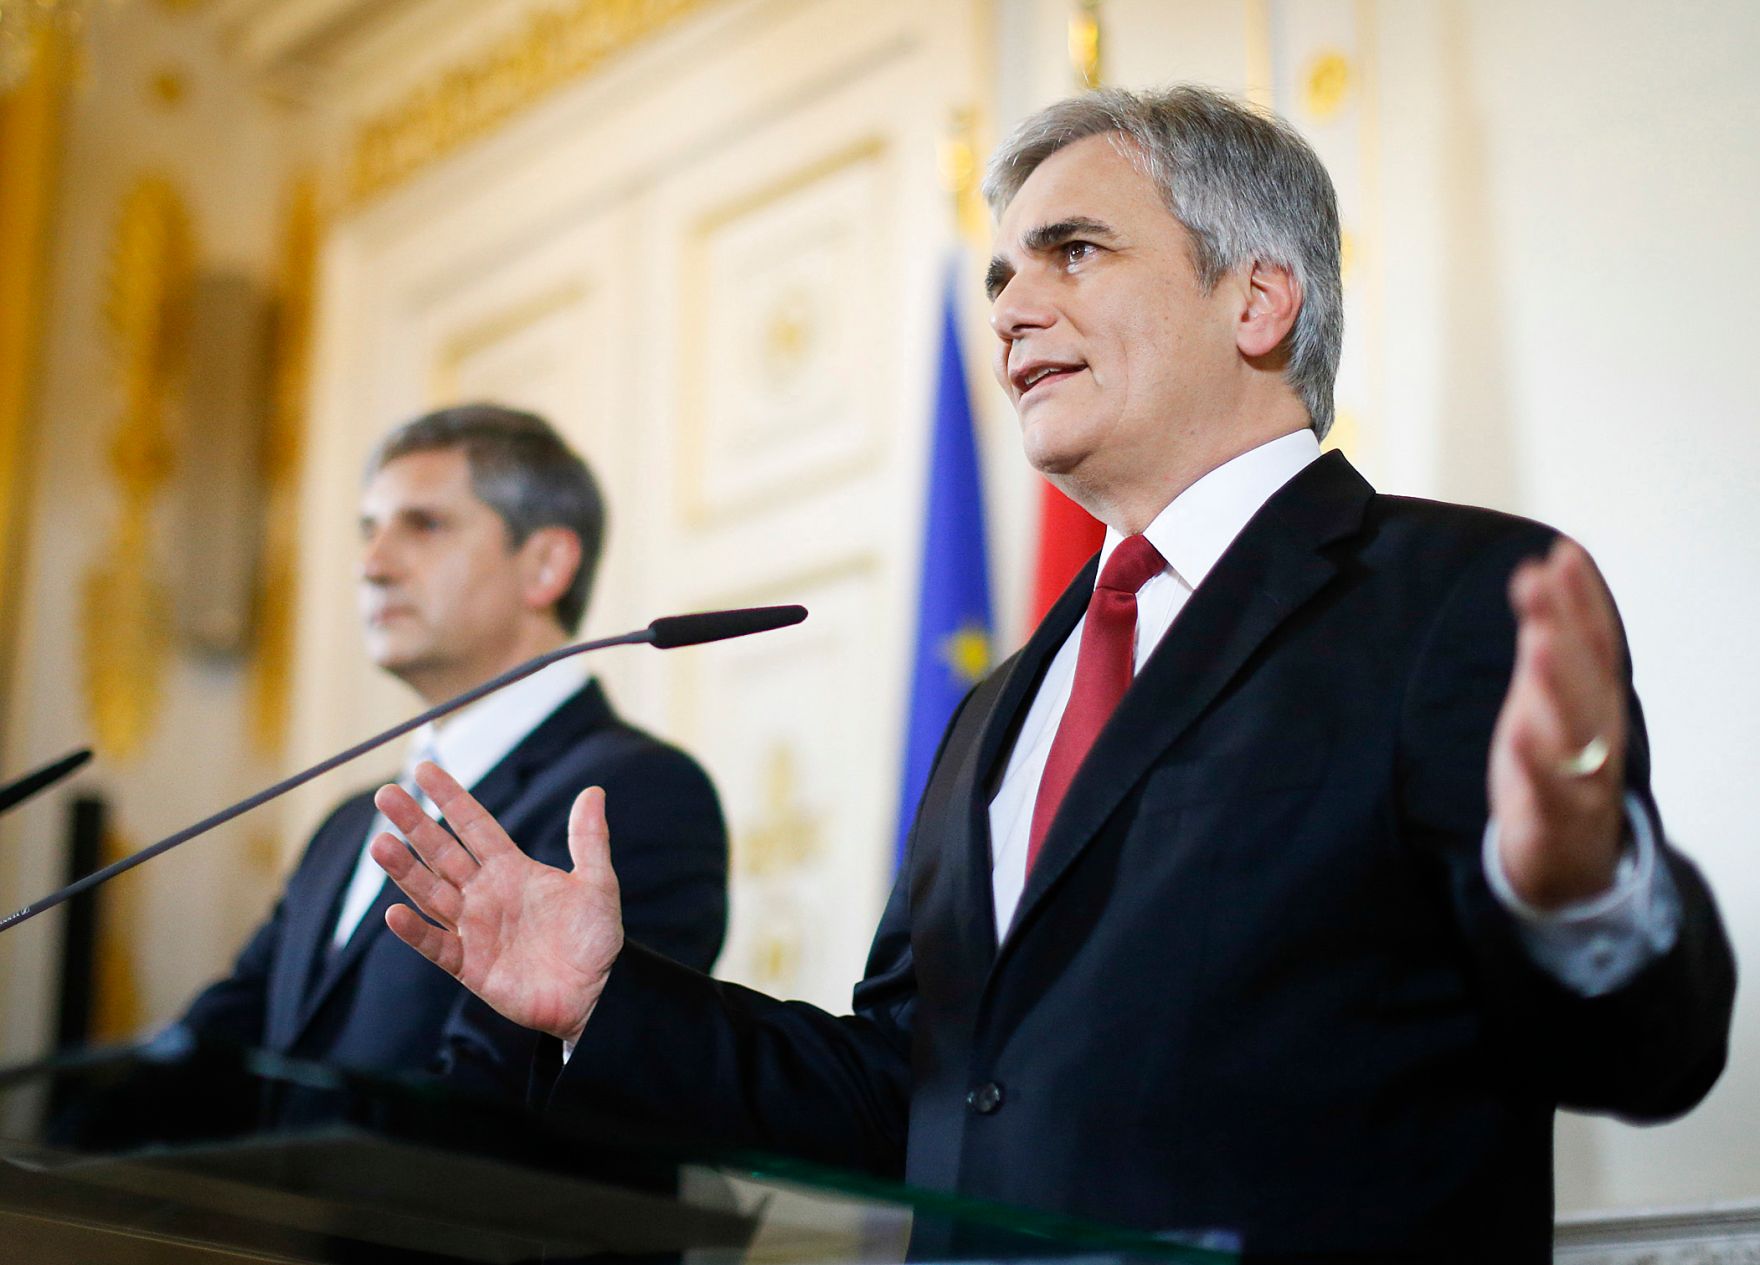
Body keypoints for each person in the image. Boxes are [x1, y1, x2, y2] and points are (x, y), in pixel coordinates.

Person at [367, 91, 1734, 1260]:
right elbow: (908, 1091)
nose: (1014, 310)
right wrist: (608, 998)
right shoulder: (1000, 704)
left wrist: (1578, 894)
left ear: (1258, 297)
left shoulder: (1456, 596)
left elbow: (1651, 1054)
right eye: (1001, 279)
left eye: (1073, 251)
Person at [177, 403, 727, 1097]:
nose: (372, 566)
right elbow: (210, 1050)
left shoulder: (635, 794)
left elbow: (502, 1101)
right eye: (369, 530)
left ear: (546, 564)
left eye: (424, 525)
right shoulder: (346, 825)